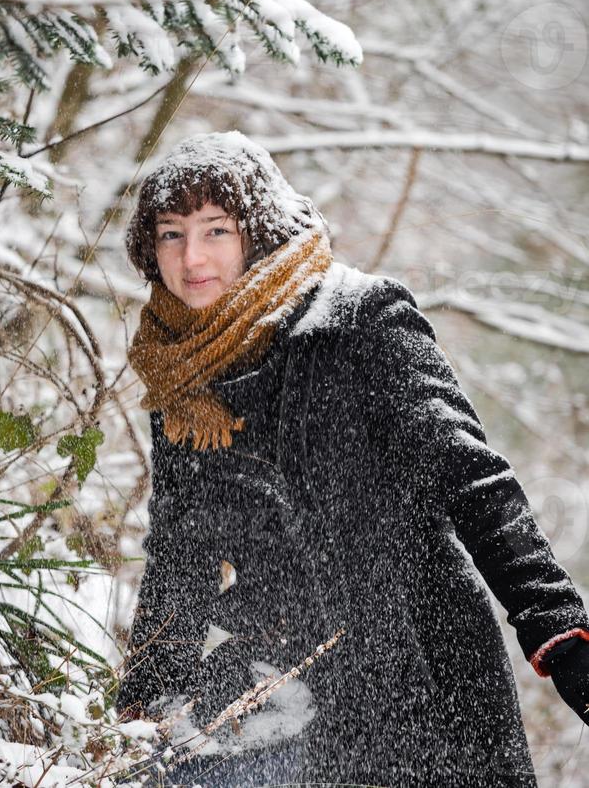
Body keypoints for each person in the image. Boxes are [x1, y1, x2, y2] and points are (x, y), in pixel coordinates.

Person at [115, 130, 589, 787]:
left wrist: (557, 629)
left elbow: (472, 479)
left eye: (215, 230)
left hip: (411, 664)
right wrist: (146, 694)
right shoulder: (179, 370)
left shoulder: (359, 321)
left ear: (254, 230)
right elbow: (180, 552)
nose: (192, 256)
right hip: (276, 672)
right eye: (171, 233)